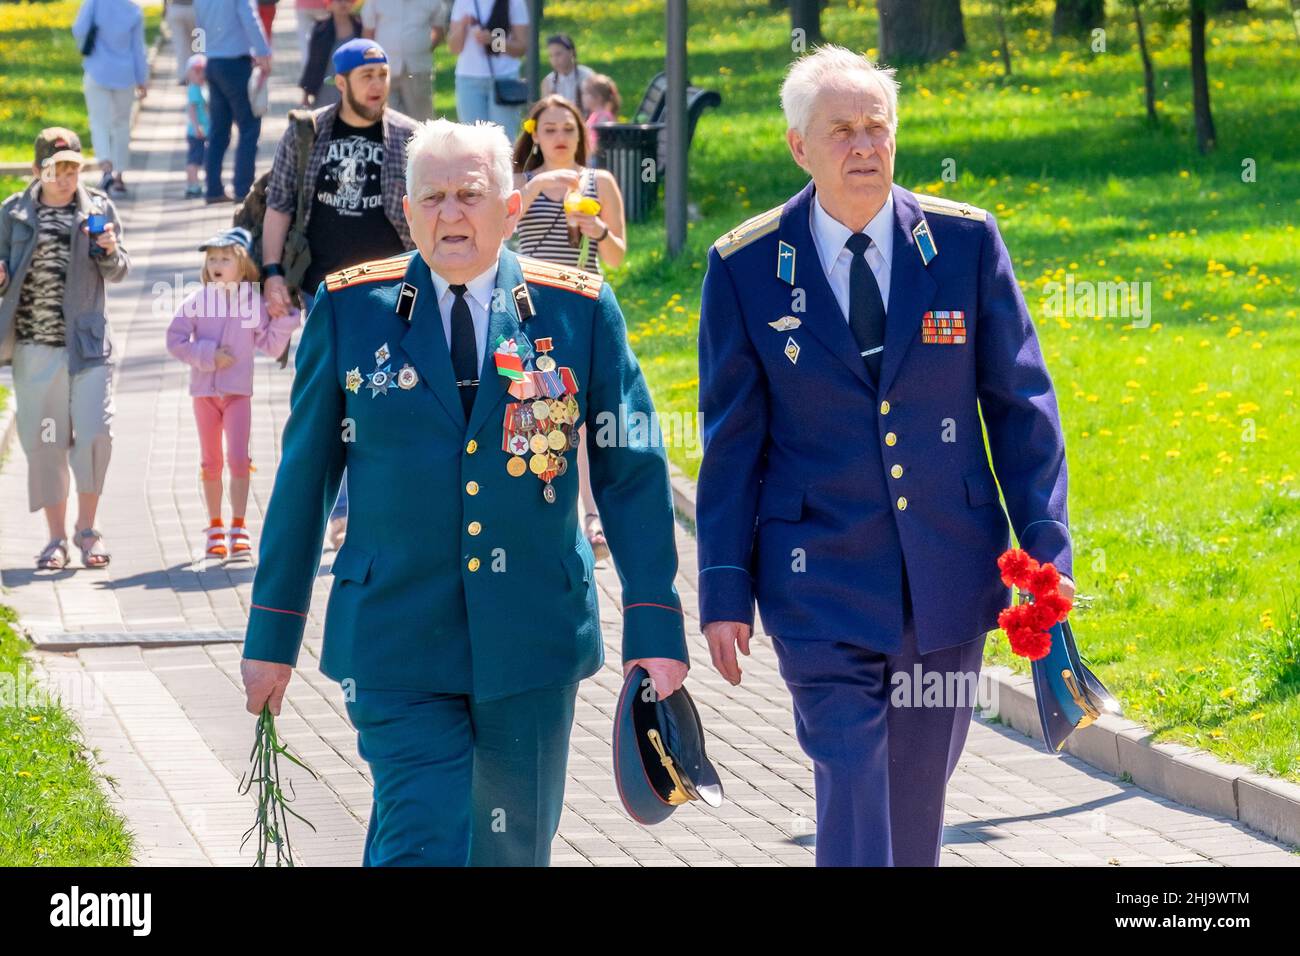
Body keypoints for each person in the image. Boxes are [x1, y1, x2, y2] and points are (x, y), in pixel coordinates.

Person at [241, 117, 689, 866]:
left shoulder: (575, 309)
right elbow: (303, 479)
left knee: (510, 848)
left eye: (470, 196)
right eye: (433, 198)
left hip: (533, 639)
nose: (451, 214)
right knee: (425, 834)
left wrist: (655, 625)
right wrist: (271, 635)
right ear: (407, 212)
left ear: (510, 210)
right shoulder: (352, 310)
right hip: (396, 637)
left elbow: (632, 469)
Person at [695, 45, 1075, 867]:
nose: (864, 146)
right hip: (814, 577)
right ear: (800, 146)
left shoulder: (965, 244)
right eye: (842, 131)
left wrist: (1045, 550)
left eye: (878, 128)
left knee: (914, 796)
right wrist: (723, 587)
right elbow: (730, 442)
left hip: (944, 571)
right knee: (850, 766)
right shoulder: (745, 266)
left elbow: (1020, 407)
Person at [262, 38, 418, 548]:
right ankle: (336, 510)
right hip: (320, 291)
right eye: (367, 75)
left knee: (388, 396)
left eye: (383, 74)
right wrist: (271, 273)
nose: (378, 84)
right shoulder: (307, 132)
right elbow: (280, 203)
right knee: (330, 399)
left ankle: (381, 506)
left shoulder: (408, 136)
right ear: (342, 81)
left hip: (394, 291)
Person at [0, 129, 129, 570]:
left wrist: (110, 250)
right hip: (35, 349)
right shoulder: (12, 213)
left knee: (95, 435)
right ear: (37, 171)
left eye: (73, 167)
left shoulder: (98, 208)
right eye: (57, 168)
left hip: (87, 345)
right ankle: (55, 539)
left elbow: (119, 270)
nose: (66, 176)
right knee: (47, 443)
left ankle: (87, 531)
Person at [512, 95, 626, 562]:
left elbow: (618, 255)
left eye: (568, 129)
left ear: (581, 135)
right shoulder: (520, 182)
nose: (560, 138)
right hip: (530, 312)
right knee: (534, 411)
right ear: (535, 135)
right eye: (550, 129)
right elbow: (500, 236)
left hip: (582, 311)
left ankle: (593, 516)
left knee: (578, 412)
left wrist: (595, 227)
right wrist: (536, 187)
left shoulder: (600, 182)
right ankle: (540, 513)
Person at [166, 227, 300, 560]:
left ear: (242, 266)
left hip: (238, 394)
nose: (217, 264)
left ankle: (239, 526)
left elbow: (269, 345)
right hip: (204, 395)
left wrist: (288, 320)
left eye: (225, 258)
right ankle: (214, 527)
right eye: (212, 258)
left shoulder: (251, 302)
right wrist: (209, 355)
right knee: (211, 462)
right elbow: (175, 341)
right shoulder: (197, 301)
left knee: (239, 460)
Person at [194, 0, 272, 204]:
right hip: (236, 64)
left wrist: (200, 56)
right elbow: (250, 19)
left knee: (218, 131)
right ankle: (243, 189)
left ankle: (213, 189)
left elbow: (199, 27)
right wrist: (264, 52)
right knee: (249, 128)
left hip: (213, 62)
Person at [71, 0, 149, 197]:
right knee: (122, 124)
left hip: (97, 70)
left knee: (99, 122)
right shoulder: (134, 11)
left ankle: (105, 166)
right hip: (126, 74)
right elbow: (138, 49)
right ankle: (119, 175)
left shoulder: (94, 3)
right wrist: (142, 79)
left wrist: (90, 48)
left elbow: (78, 29)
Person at [447, 0, 530, 138]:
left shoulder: (515, 3)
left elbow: (520, 48)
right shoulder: (463, 2)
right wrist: (463, 25)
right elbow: (454, 48)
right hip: (468, 80)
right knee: (471, 141)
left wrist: (493, 41)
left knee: (504, 139)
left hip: (504, 79)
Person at [361, 0, 450, 122]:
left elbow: (439, 28)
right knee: (386, 116)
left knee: (421, 116)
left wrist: (423, 48)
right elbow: (368, 31)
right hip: (383, 69)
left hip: (418, 67)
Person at [298, 0, 361, 108]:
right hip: (326, 89)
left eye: (348, 0)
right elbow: (313, 62)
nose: (343, 4)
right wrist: (306, 94)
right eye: (338, 1)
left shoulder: (360, 28)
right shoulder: (321, 30)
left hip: (354, 89)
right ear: (329, 4)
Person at [539, 34, 593, 117]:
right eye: (551, 56)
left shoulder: (587, 76)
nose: (555, 60)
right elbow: (546, 112)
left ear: (571, 52)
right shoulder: (548, 81)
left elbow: (595, 108)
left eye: (558, 54)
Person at [183, 54, 209, 199]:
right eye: (196, 71)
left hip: (205, 130)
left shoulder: (204, 88)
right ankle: (192, 185)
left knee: (202, 159)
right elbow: (192, 109)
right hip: (196, 132)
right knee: (194, 159)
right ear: (190, 74)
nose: (201, 75)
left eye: (203, 71)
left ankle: (198, 183)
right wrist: (196, 126)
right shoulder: (194, 89)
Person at [580, 73, 619, 156]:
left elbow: (602, 143)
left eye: (585, 94)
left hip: (597, 158)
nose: (582, 97)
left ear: (598, 97)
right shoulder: (595, 114)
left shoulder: (603, 117)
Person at [165, 0, 199, 84]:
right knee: (198, 46)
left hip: (175, 9)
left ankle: (184, 76)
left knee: (180, 46)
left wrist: (165, 7)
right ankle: (198, 74)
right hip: (194, 9)